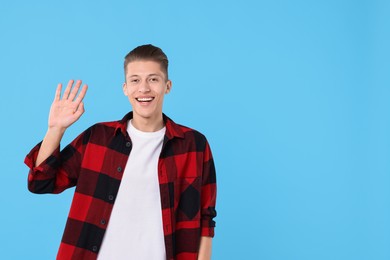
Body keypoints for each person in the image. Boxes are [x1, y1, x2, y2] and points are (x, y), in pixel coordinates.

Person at [24, 44, 217, 260]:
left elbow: (205, 218)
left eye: (153, 79)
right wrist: (55, 130)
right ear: (125, 88)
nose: (143, 89)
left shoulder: (193, 145)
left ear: (167, 86)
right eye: (135, 80)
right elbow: (40, 182)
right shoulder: (98, 138)